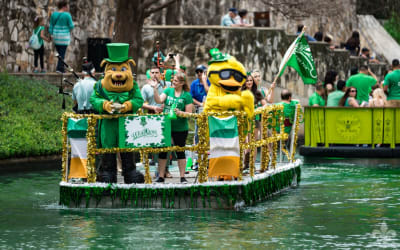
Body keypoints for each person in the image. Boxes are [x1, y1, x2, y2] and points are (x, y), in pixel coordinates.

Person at [150, 72, 193, 184]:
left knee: (180, 151)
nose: (173, 82)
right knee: (163, 151)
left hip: (180, 128)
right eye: (173, 80)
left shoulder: (187, 96)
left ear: (182, 83)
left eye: (176, 81)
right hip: (166, 126)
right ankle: (161, 176)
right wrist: (154, 89)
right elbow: (159, 100)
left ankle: (182, 177)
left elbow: (189, 114)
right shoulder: (168, 91)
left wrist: (180, 112)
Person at [241, 74, 267, 169]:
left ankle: (252, 163)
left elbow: (265, 104)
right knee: (244, 141)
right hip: (243, 120)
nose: (249, 82)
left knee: (253, 142)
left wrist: (261, 107)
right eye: (247, 81)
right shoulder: (241, 92)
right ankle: (246, 161)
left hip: (254, 119)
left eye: (251, 80)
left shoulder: (257, 92)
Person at [49, 1, 74, 73]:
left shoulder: (54, 14)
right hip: (64, 37)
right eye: (67, 6)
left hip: (56, 37)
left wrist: (51, 34)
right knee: (62, 53)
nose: (68, 7)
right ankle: (59, 68)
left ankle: (61, 68)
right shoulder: (67, 15)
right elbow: (71, 26)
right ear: (64, 6)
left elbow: (51, 26)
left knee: (59, 53)